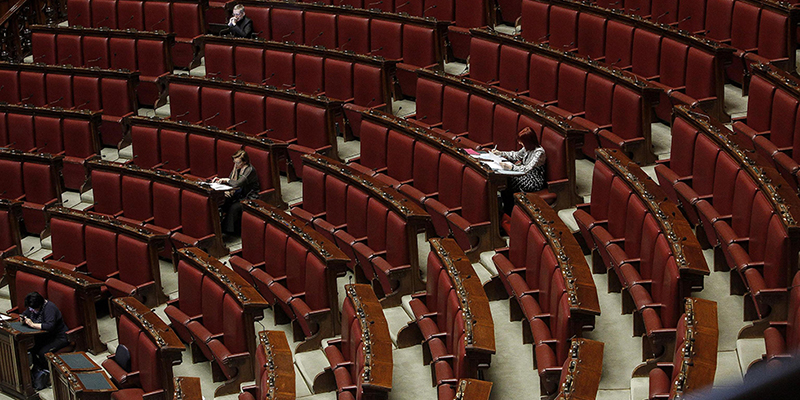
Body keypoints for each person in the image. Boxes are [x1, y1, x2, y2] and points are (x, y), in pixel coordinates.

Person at [491, 127, 547, 216]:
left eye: (522, 141)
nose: (520, 143)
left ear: (528, 141)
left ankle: (509, 211)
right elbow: (516, 155)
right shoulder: (527, 148)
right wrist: (501, 153)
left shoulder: (539, 152)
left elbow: (527, 169)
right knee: (506, 181)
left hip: (534, 179)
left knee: (509, 181)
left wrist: (511, 167)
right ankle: (507, 210)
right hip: (524, 174)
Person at [20, 291, 70, 390]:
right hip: (45, 337)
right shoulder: (33, 306)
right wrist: (23, 318)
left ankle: (51, 376)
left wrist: (32, 325)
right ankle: (39, 372)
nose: (31, 311)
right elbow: (25, 313)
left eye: (34, 309)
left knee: (43, 353)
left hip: (59, 337)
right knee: (31, 348)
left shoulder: (50, 308)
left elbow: (49, 326)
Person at [213, 149, 260, 235]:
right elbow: (232, 181)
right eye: (235, 162)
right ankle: (218, 227)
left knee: (233, 208)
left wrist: (226, 180)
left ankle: (227, 231)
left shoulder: (249, 170)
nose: (235, 165)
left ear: (245, 161)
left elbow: (238, 183)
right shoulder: (237, 168)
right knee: (223, 202)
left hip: (249, 197)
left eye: (238, 163)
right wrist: (223, 185)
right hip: (238, 194)